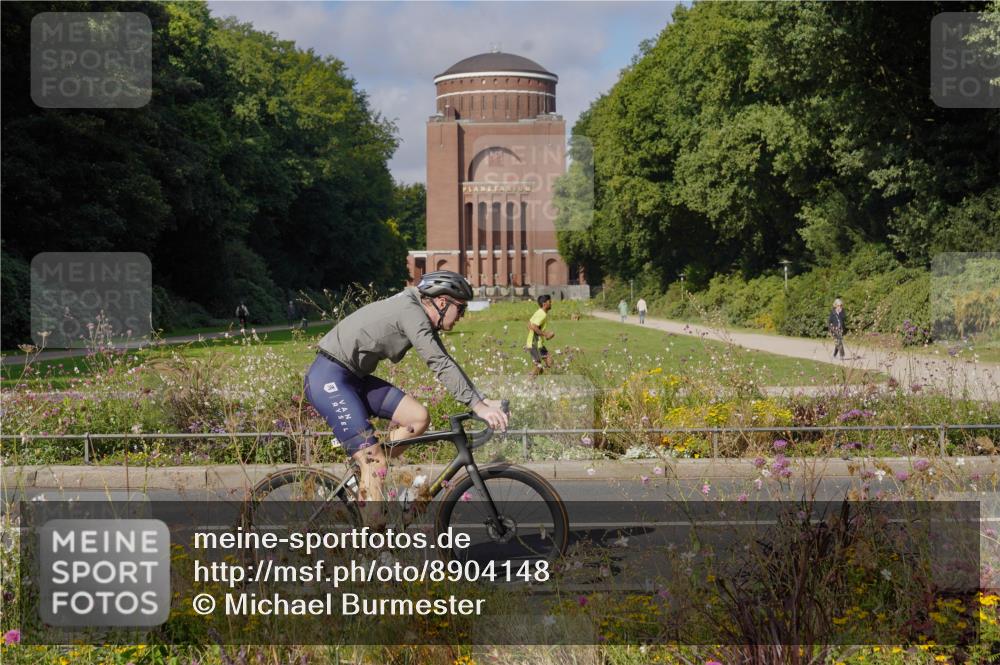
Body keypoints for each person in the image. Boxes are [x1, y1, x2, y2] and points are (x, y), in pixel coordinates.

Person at [305, 270, 508, 522]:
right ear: (442, 302)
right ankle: (373, 545)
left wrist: (481, 400)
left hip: (353, 378)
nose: (461, 317)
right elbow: (438, 362)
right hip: (329, 378)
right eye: (461, 309)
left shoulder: (417, 309)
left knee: (418, 417)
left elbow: (446, 360)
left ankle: (370, 475)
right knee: (374, 460)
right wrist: (477, 405)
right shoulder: (412, 312)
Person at [525, 294, 555, 375]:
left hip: (537, 343)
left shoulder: (539, 312)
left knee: (549, 362)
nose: (551, 303)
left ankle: (533, 378)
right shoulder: (542, 314)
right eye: (549, 302)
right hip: (535, 344)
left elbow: (529, 324)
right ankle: (527, 383)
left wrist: (539, 335)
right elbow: (534, 326)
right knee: (539, 366)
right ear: (544, 304)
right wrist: (545, 334)